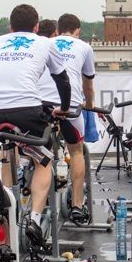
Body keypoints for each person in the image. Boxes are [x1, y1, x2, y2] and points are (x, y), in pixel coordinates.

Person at [0, 4, 71, 249]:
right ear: (37, 27)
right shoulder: (46, 43)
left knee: (7, 148)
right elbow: (62, 79)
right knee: (45, 158)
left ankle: (9, 199)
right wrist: (63, 107)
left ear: (10, 28)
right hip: (25, 109)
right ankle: (34, 218)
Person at [37, 13, 96, 223]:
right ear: (77, 30)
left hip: (41, 103)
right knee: (76, 151)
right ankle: (78, 205)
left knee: (38, 150)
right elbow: (88, 84)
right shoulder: (83, 47)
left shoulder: (44, 42)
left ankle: (35, 198)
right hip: (68, 105)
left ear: (58, 29)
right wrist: (89, 105)